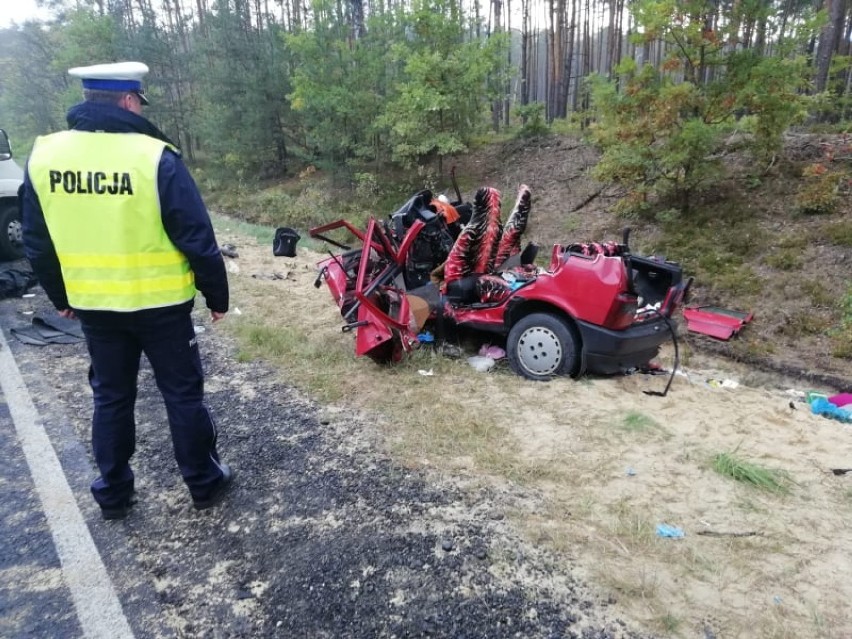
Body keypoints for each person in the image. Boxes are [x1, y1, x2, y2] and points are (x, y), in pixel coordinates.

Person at [21, 61, 233, 520]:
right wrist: (217, 297)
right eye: (139, 99)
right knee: (182, 395)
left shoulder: (46, 156)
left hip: (95, 307)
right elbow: (196, 236)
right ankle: (203, 483)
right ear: (128, 100)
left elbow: (36, 242)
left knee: (111, 397)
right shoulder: (154, 157)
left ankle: (113, 493)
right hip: (162, 306)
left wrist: (61, 296)